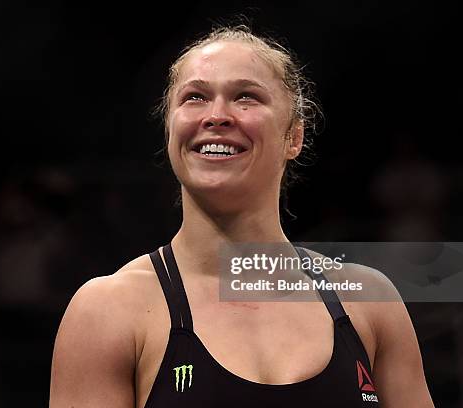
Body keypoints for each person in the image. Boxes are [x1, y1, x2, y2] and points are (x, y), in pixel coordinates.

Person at [49, 25, 434, 407]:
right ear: (169, 129)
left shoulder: (369, 301)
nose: (216, 115)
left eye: (245, 97)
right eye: (195, 97)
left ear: (293, 137)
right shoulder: (108, 312)